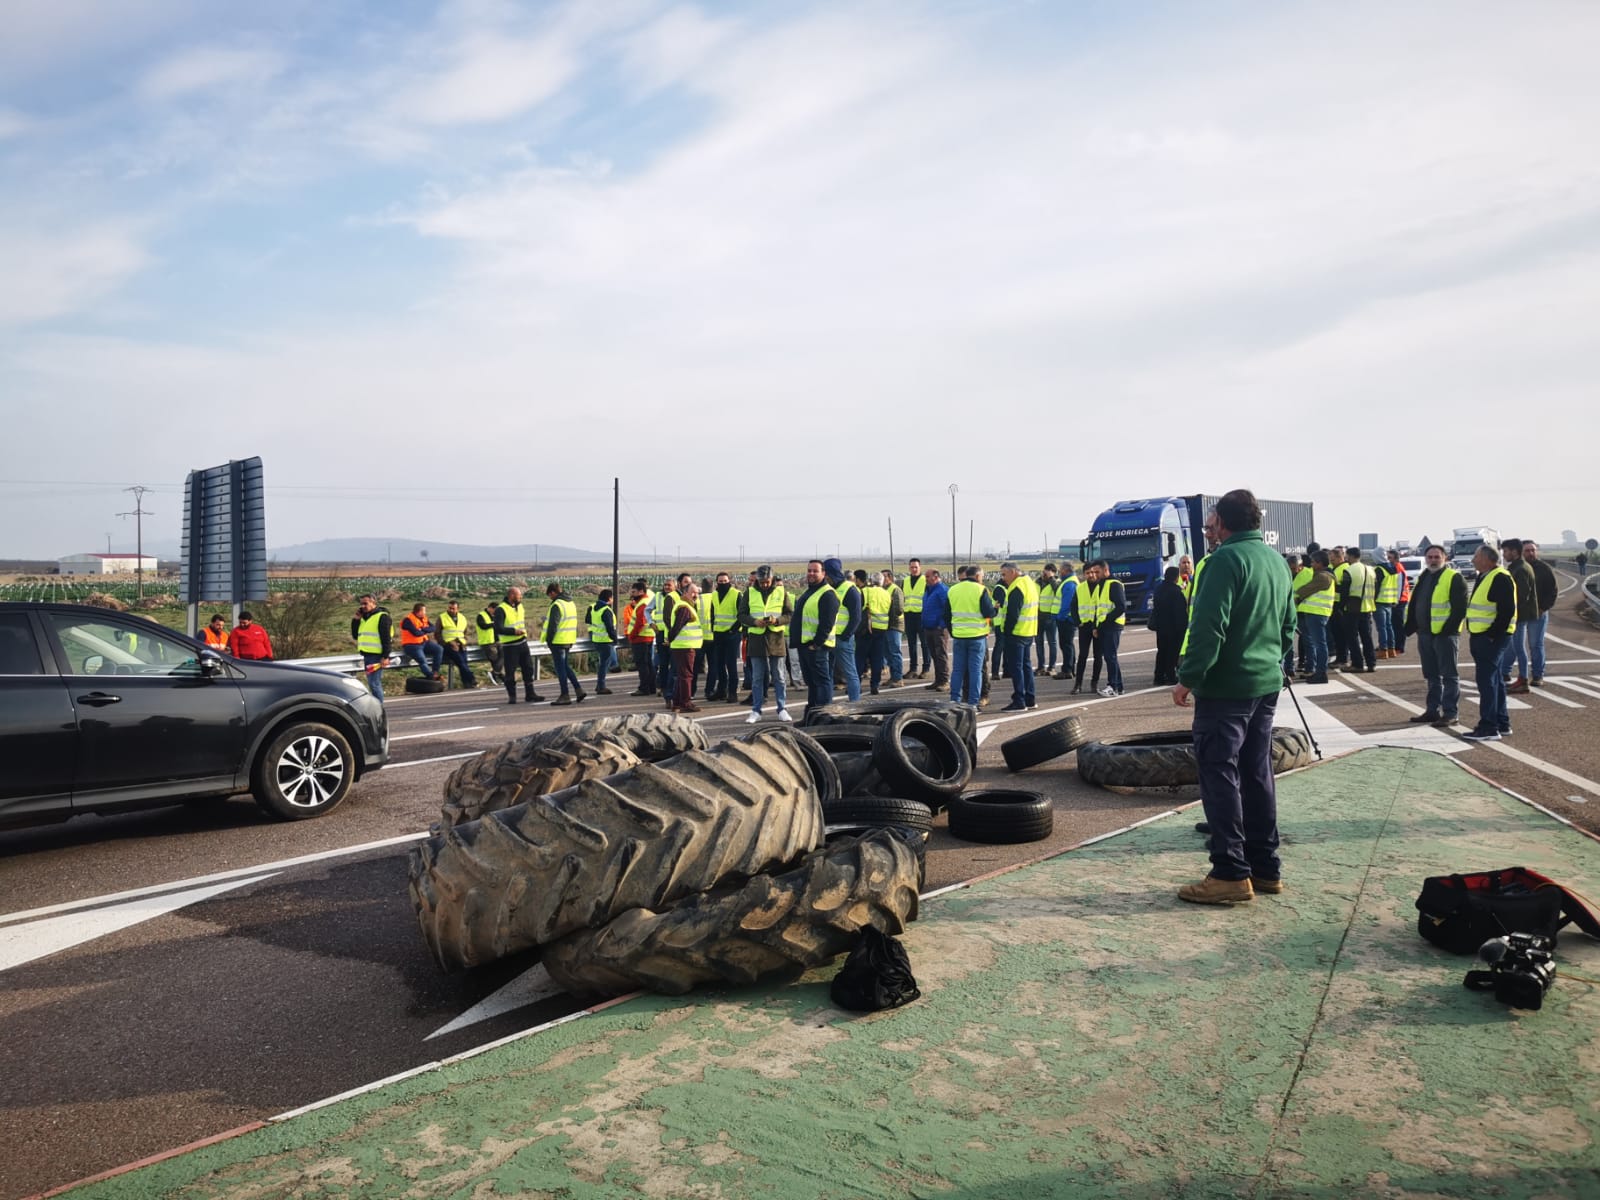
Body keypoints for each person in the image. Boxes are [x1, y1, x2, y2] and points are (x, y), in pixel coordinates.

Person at [1172, 488, 1297, 906]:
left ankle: (1229, 871)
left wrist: (1188, 678)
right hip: (1264, 684)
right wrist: (1271, 662)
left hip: (1226, 689)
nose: (1210, 533)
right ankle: (1265, 867)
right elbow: (1288, 626)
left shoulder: (1224, 561)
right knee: (1257, 772)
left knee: (1219, 773)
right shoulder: (1276, 561)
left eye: (1212, 525)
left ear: (1223, 524)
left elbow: (1210, 629)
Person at [1402, 545, 1467, 726]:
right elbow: (1415, 602)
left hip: (1444, 635)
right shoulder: (1425, 576)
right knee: (1431, 675)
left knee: (1449, 675)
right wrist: (1410, 627)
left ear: (1444, 558)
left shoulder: (1454, 578)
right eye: (1429, 557)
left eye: (1436, 557)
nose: (1433, 560)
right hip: (1425, 633)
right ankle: (1432, 710)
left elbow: (1459, 608)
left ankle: (1450, 713)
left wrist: (1447, 630)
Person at [1462, 545, 1516, 741]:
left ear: (1487, 559)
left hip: (1490, 638)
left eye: (1476, 556)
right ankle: (1502, 722)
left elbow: (1507, 610)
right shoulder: (1485, 575)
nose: (1473, 560)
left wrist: (1492, 635)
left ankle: (1489, 727)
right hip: (1483, 635)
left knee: (1487, 682)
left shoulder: (1500, 577)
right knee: (1495, 681)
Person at [740, 565, 793, 723]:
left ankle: (782, 708)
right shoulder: (749, 592)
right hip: (756, 639)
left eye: (767, 581)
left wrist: (776, 621)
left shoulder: (781, 592)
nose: (764, 584)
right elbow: (741, 615)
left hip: (776, 638)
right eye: (762, 581)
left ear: (772, 579)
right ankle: (756, 710)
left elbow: (790, 614)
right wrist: (754, 622)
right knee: (757, 677)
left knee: (779, 676)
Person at [790, 559, 840, 708]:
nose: (811, 573)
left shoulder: (828, 594)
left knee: (821, 682)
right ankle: (811, 715)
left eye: (815, 571)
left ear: (823, 573)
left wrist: (816, 644)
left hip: (817, 647)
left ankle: (824, 715)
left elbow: (827, 623)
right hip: (805, 645)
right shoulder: (811, 591)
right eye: (809, 570)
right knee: (812, 683)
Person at [947, 565, 997, 706]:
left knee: (957, 670)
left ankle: (954, 700)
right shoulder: (980, 589)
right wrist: (995, 610)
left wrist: (954, 632)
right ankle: (973, 704)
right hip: (977, 637)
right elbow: (988, 612)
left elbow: (946, 614)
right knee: (976, 671)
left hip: (959, 636)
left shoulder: (953, 590)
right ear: (977, 576)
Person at [1079, 560, 1126, 697]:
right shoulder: (1101, 585)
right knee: (1110, 656)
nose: (1095, 574)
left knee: (1110, 656)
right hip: (1103, 626)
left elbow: (1121, 607)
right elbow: (1097, 608)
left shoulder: (1114, 584)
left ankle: (1113, 686)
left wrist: (1106, 620)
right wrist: (1096, 626)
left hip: (1112, 625)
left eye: (1097, 572)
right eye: (1093, 572)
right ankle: (1119, 686)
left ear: (1106, 570)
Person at [493, 585, 544, 705]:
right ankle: (512, 696)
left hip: (522, 643)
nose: (520, 597)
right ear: (511, 596)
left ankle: (530, 694)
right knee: (510, 672)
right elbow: (498, 628)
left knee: (528, 669)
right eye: (518, 595)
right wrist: (513, 631)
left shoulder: (520, 606)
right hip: (510, 646)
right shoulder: (501, 609)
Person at [998, 561, 1038, 711]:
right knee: (1026, 667)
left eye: (1004, 574)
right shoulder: (1029, 583)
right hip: (1028, 631)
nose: (1003, 578)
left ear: (1013, 572)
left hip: (1017, 633)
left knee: (1017, 668)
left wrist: (1007, 632)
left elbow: (1013, 614)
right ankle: (1030, 699)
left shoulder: (1017, 587)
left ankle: (1019, 700)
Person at [1499, 539, 1538, 695]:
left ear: (1514, 551)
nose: (1504, 554)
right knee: (1517, 647)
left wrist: (1509, 611)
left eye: (1506, 551)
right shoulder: (1518, 567)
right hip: (1519, 614)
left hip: (1519, 615)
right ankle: (1522, 679)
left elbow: (1521, 595)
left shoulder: (1520, 569)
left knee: (1519, 648)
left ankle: (1523, 680)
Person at [1293, 550, 1336, 684]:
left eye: (1313, 562)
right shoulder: (1323, 575)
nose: (1311, 564)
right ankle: (1318, 671)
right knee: (1317, 644)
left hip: (1317, 613)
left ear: (1319, 563)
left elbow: (1303, 591)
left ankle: (1321, 673)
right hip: (1317, 613)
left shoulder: (1323, 577)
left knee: (1319, 645)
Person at [824, 558, 862, 702]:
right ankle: (827, 703)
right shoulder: (829, 588)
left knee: (850, 672)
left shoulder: (850, 589)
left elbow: (856, 617)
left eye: (825, 573)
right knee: (828, 674)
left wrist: (846, 635)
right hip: (829, 638)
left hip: (842, 639)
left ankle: (855, 703)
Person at [542, 582, 586, 705]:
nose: (550, 598)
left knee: (560, 668)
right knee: (565, 666)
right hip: (568, 639)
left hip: (558, 640)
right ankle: (578, 690)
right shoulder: (570, 603)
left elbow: (553, 625)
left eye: (550, 595)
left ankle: (565, 694)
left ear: (553, 593)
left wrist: (549, 640)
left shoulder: (557, 604)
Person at [1336, 548, 1377, 674]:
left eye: (1347, 556)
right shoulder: (1371, 570)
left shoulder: (1349, 570)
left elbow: (1345, 591)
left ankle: (1357, 663)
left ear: (1350, 556)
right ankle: (1371, 663)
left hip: (1352, 608)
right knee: (1367, 637)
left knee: (1352, 637)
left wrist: (1341, 606)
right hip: (1367, 606)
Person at [1523, 540, 1557, 688]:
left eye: (1533, 550)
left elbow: (1553, 590)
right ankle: (1506, 672)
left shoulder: (1544, 569)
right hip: (1519, 614)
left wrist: (1544, 607)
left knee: (1535, 645)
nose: (1531, 553)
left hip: (1538, 613)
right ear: (1521, 552)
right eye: (1527, 550)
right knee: (1512, 645)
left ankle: (1537, 675)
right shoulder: (1517, 568)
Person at [666, 577, 702, 713]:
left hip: (683, 645)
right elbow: (677, 627)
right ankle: (686, 702)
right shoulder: (684, 607)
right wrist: (671, 639)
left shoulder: (686, 606)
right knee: (686, 675)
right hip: (684, 646)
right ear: (685, 593)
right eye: (693, 592)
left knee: (682, 675)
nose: (695, 595)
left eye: (697, 593)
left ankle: (677, 703)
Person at [1150, 566, 1188, 685]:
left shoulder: (1159, 589)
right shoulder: (1176, 592)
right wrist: (1183, 627)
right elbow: (1180, 612)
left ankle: (1159, 676)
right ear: (1176, 577)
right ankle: (1171, 676)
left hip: (1161, 627)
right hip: (1174, 627)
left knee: (1161, 651)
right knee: (1173, 652)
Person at [708, 570, 743, 702]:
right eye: (720, 581)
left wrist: (733, 630)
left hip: (732, 635)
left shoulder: (736, 594)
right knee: (719, 664)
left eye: (725, 581)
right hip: (718, 634)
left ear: (729, 581)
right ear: (717, 582)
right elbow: (712, 613)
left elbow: (741, 614)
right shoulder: (714, 595)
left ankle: (732, 692)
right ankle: (721, 690)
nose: (723, 583)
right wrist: (713, 627)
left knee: (731, 664)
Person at [351, 594, 392, 700]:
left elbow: (386, 638)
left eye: (365, 603)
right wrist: (356, 620)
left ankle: (379, 709)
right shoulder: (364, 618)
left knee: (374, 684)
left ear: (374, 603)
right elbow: (355, 635)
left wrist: (386, 656)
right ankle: (378, 708)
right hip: (367, 655)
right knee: (373, 684)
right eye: (361, 604)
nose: (363, 606)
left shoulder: (382, 617)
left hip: (376, 656)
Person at [920, 567, 951, 689]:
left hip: (938, 628)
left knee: (941, 655)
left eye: (928, 576)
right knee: (934, 654)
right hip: (928, 627)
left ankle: (944, 680)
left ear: (936, 577)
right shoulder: (928, 590)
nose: (926, 579)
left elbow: (947, 608)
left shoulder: (942, 590)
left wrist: (941, 625)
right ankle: (938, 680)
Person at [436, 600, 477, 688]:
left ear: (457, 609)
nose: (451, 610)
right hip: (448, 645)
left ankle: (467, 683)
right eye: (449, 608)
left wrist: (464, 641)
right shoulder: (442, 617)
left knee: (464, 663)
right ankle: (472, 678)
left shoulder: (462, 617)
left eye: (453, 608)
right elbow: (437, 633)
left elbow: (464, 632)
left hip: (461, 644)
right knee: (461, 662)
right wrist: (445, 643)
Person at [627, 579, 657, 697]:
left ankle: (644, 688)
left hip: (640, 638)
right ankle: (651, 687)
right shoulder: (647, 601)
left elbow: (640, 622)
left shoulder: (642, 603)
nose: (631, 594)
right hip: (647, 636)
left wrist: (632, 635)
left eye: (633, 592)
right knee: (648, 663)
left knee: (642, 664)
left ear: (640, 591)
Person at [398, 603, 444, 680]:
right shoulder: (408, 620)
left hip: (424, 642)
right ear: (418, 612)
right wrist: (425, 630)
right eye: (424, 611)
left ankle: (435, 671)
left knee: (439, 649)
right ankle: (431, 676)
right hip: (412, 645)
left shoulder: (424, 618)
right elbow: (416, 633)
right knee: (422, 660)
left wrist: (422, 630)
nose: (425, 613)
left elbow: (433, 628)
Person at [586, 589, 617, 695]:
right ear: (609, 598)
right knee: (604, 664)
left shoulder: (594, 608)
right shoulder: (606, 610)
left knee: (602, 663)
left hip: (596, 639)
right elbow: (609, 627)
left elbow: (588, 620)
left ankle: (599, 685)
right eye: (612, 598)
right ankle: (601, 686)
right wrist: (614, 638)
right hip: (605, 641)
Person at [902, 557, 928, 679]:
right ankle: (913, 668)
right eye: (912, 567)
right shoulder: (906, 580)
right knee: (911, 643)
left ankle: (926, 668)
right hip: (909, 615)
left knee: (924, 643)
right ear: (909, 568)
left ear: (920, 567)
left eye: (916, 567)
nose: (913, 569)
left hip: (921, 615)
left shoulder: (924, 580)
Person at [1053, 565, 1079, 681]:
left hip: (1066, 619)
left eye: (1061, 570)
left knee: (1066, 645)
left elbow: (1067, 603)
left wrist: (1060, 617)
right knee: (1067, 645)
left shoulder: (1069, 583)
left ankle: (1067, 670)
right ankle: (1069, 669)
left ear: (1066, 570)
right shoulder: (1069, 581)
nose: (1059, 572)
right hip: (1066, 618)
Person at [881, 568, 906, 686]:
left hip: (894, 626)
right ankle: (893, 676)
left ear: (889, 577)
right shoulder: (883, 589)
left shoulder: (895, 590)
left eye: (884, 576)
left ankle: (898, 678)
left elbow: (899, 609)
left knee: (895, 652)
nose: (882, 579)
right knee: (887, 652)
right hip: (885, 625)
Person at [1036, 563, 1061, 675]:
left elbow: (1058, 592)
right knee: (1038, 642)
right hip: (1038, 616)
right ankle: (1041, 666)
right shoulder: (1037, 582)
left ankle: (1052, 667)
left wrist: (1051, 578)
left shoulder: (1057, 582)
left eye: (1046, 572)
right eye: (1043, 572)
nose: (1043, 574)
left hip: (1050, 617)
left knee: (1052, 642)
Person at [475, 602, 503, 686]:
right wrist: (494, 624)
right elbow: (483, 626)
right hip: (487, 642)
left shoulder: (496, 616)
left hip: (498, 640)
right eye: (495, 610)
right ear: (490, 608)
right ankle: (499, 676)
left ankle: (495, 673)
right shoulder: (481, 615)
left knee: (503, 656)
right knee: (495, 659)